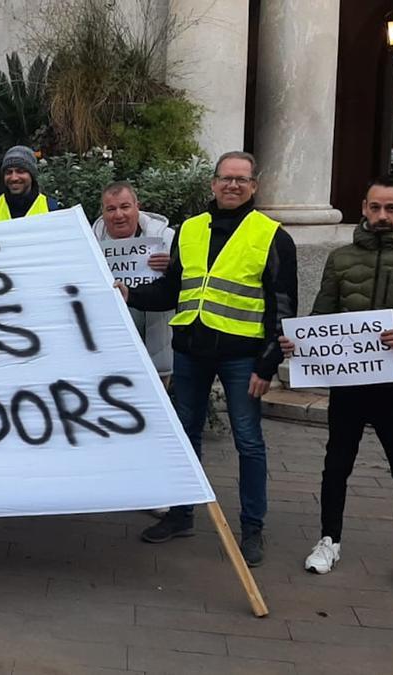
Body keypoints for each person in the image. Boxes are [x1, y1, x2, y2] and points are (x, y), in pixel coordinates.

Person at [117, 151, 298, 567]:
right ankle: (182, 514)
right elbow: (171, 290)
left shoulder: (272, 236)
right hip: (191, 352)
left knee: (249, 442)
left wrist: (268, 365)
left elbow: (283, 307)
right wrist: (128, 293)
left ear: (254, 186)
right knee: (185, 435)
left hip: (242, 357)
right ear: (213, 184)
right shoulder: (190, 230)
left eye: (241, 180)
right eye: (225, 179)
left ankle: (252, 528)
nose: (232, 186)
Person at [282, 176, 393, 592]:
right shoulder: (341, 259)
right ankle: (329, 540)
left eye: (391, 208)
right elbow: (323, 318)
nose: (382, 216)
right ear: (363, 207)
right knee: (336, 465)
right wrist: (301, 342)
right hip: (350, 384)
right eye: (375, 207)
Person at [92, 181, 174, 379]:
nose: (118, 215)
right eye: (110, 209)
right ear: (102, 212)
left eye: (125, 206)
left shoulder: (167, 239)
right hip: (107, 354)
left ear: (138, 207)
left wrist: (172, 267)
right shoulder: (88, 243)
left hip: (156, 349)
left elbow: (183, 285)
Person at [0, 146, 58, 222]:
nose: (14, 178)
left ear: (32, 175)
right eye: (8, 172)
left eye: (20, 171)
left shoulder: (52, 208)